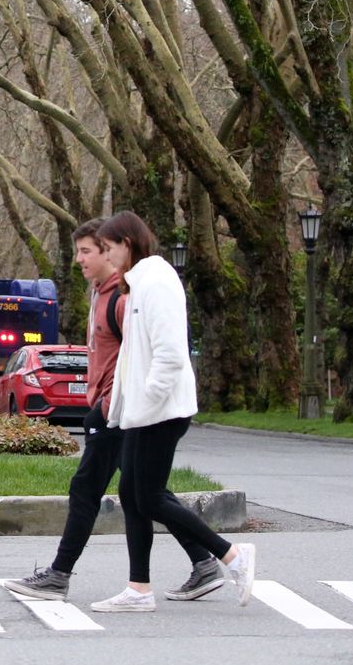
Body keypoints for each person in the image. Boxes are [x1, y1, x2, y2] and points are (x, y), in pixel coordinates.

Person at [3, 219, 225, 604]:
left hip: (122, 411)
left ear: (111, 252)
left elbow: (148, 354)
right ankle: (200, 562)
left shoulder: (124, 299)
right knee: (143, 493)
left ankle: (60, 574)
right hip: (115, 409)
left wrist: (116, 404)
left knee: (90, 489)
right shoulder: (104, 294)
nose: (81, 260)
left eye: (88, 251)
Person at [88, 210, 255, 613]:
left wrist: (146, 400)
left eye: (109, 248)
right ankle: (139, 588)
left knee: (149, 497)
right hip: (143, 411)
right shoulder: (140, 283)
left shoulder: (158, 281)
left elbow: (170, 354)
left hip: (160, 411)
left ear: (128, 244)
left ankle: (231, 555)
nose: (107, 257)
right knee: (132, 494)